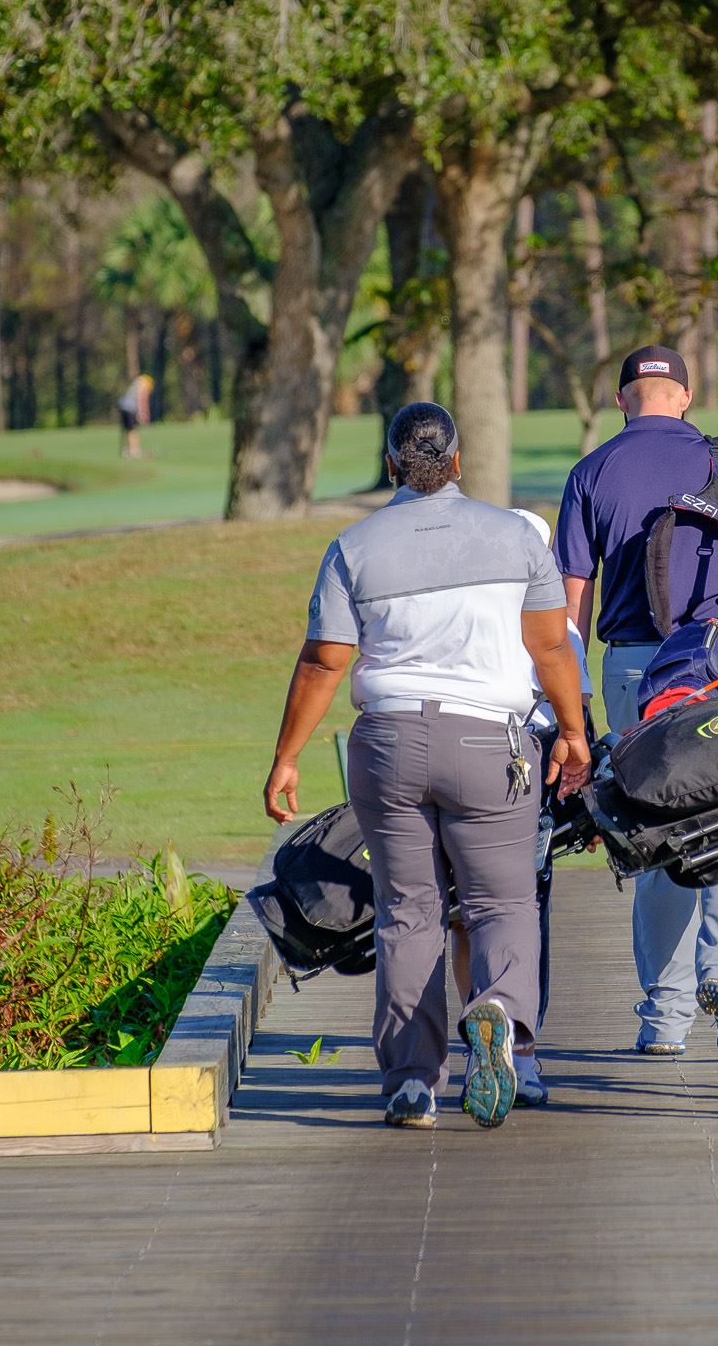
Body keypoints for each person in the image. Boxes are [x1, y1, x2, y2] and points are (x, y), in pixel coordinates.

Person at [263, 402, 590, 1131]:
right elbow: (550, 648)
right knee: (502, 904)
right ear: (459, 462)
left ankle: (413, 1083)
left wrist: (286, 758)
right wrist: (572, 731)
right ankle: (498, 1010)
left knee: (409, 912)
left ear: (391, 465)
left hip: (389, 745)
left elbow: (324, 661)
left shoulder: (353, 547)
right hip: (492, 746)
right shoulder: (516, 536)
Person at [555, 345, 718, 1059]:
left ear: (621, 400)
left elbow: (572, 604)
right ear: (685, 396)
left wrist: (573, 709)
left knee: (654, 831)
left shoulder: (591, 471)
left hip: (633, 671)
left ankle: (664, 1019)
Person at [446, 507, 594, 1109]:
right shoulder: (558, 625)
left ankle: (480, 1039)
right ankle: (522, 1054)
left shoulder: (465, 614)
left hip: (460, 770)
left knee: (463, 914)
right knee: (521, 915)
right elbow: (577, 716)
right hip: (528, 781)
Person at [116, 373, 152, 458]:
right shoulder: (144, 384)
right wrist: (142, 413)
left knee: (129, 429)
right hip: (130, 408)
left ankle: (130, 449)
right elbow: (141, 399)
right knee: (133, 429)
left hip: (123, 406)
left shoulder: (137, 383)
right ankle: (134, 451)